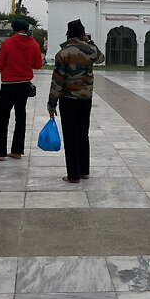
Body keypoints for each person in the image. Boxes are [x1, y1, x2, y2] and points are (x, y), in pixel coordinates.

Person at [47, 19, 106, 182]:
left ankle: (73, 174)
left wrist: (52, 103)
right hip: (85, 98)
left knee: (70, 135)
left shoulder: (63, 53)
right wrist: (90, 41)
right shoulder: (90, 50)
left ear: (68, 34)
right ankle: (84, 171)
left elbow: (57, 80)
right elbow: (101, 58)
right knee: (83, 134)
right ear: (82, 33)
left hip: (68, 99)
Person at [0, 19, 43, 161]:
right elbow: (38, 65)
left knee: (3, 118)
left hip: (8, 85)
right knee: (20, 117)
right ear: (26, 29)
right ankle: (17, 150)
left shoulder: (7, 43)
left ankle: (0, 152)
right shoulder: (34, 45)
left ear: (14, 29)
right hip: (24, 85)